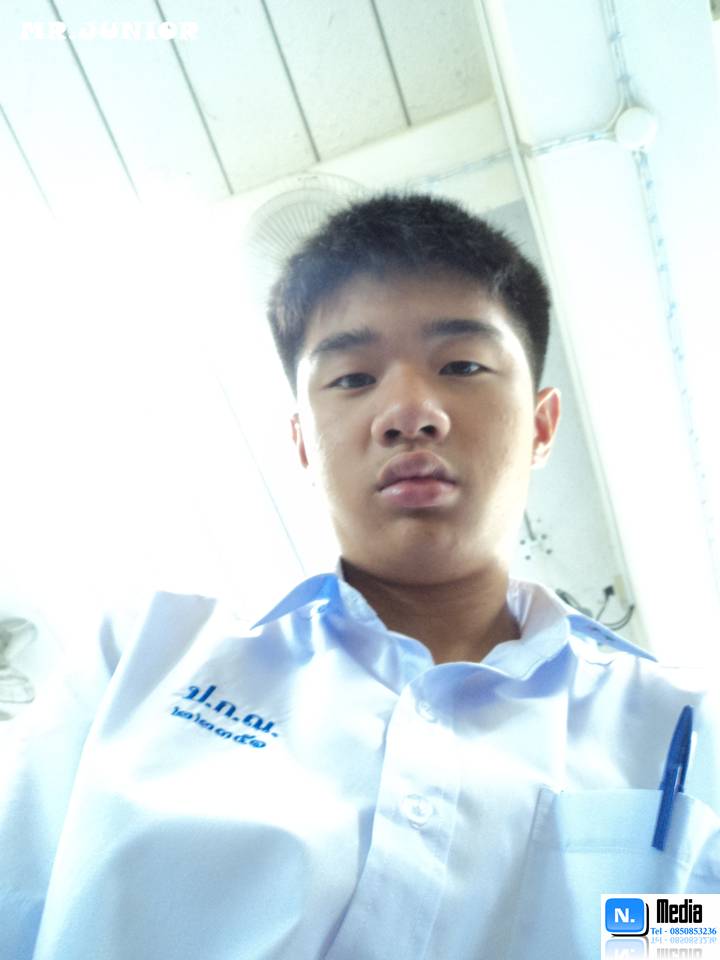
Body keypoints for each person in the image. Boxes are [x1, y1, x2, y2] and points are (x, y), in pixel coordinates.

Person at [3, 193, 719, 960]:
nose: (408, 411)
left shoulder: (685, 732)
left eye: (462, 365)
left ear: (542, 426)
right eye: (351, 379)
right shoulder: (146, 660)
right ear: (302, 443)